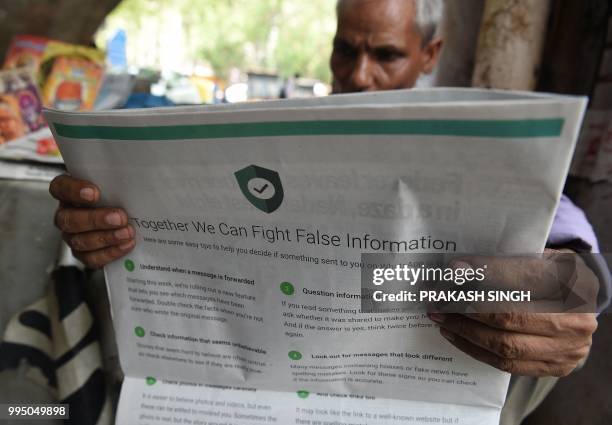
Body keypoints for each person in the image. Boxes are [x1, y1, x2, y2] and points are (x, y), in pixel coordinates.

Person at [49, 0, 607, 423]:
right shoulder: (280, 138)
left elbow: (576, 255)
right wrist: (109, 227)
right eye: (347, 49)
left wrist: (570, 291)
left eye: (386, 54)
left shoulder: (470, 151)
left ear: (429, 55)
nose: (359, 75)